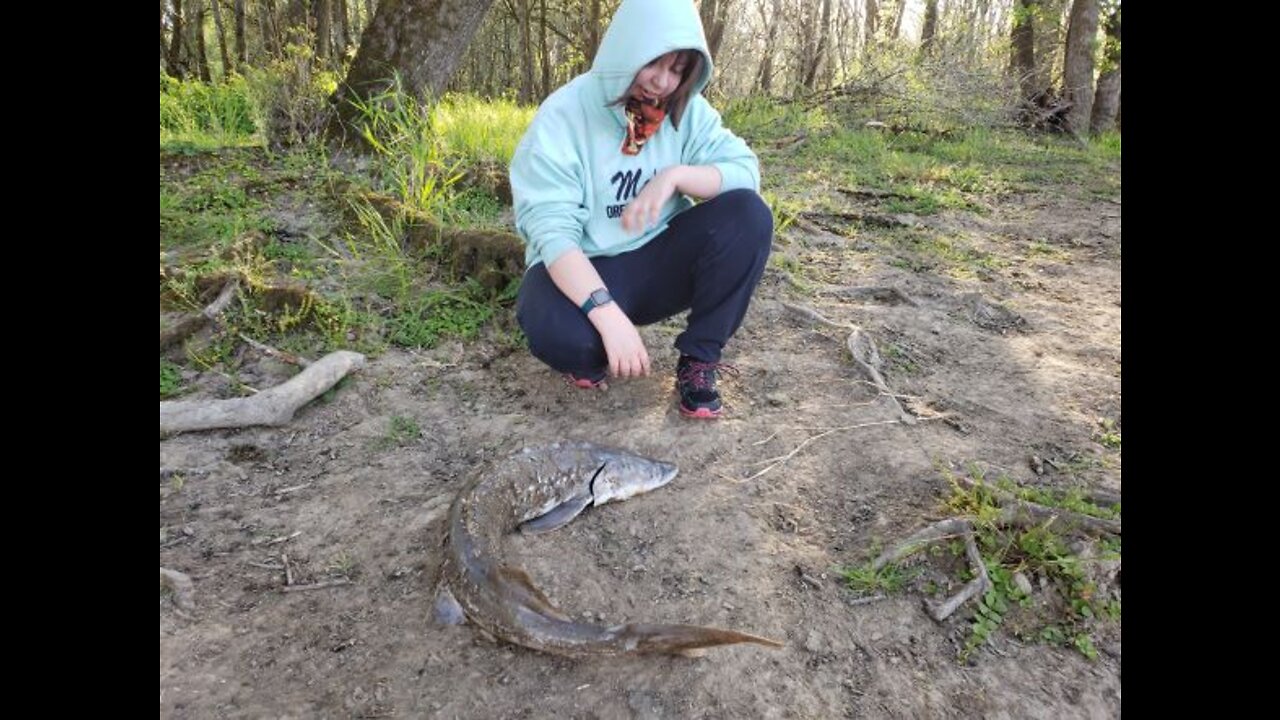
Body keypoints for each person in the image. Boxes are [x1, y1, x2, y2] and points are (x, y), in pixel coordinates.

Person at [510, 0, 773, 419]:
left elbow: (746, 172)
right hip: (584, 264)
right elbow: (552, 232)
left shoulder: (686, 113)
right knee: (560, 334)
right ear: (626, 49)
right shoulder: (563, 116)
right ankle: (592, 350)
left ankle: (699, 360)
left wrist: (675, 176)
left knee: (748, 215)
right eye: (654, 63)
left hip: (657, 260)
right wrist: (606, 314)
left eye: (677, 69)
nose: (661, 82)